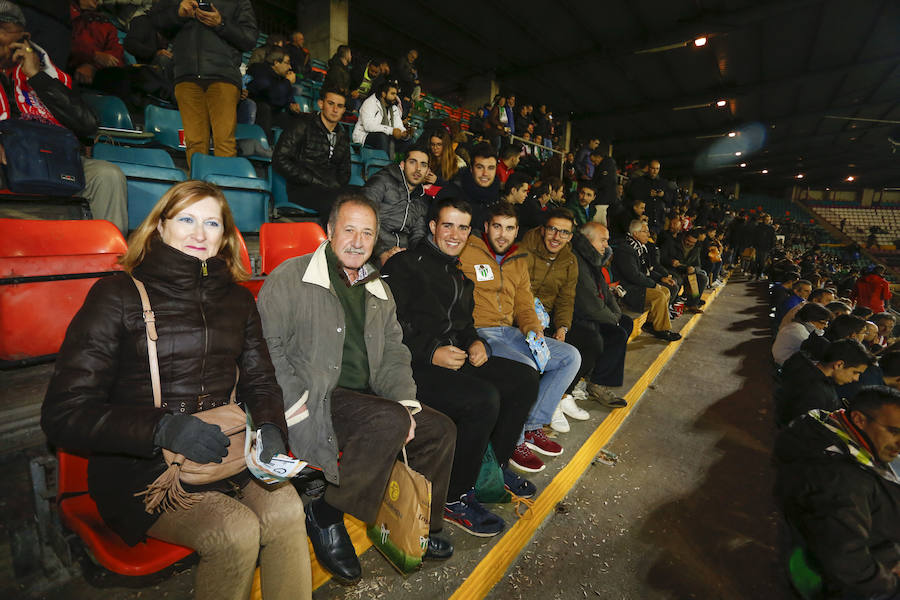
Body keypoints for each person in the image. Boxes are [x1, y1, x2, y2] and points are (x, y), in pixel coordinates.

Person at [41, 180, 312, 600]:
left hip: (224, 455)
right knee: (234, 532)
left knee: (288, 508)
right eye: (187, 219)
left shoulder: (238, 301)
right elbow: (64, 413)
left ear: (225, 237)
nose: (200, 234)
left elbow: (260, 380)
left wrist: (272, 428)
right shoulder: (116, 295)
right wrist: (162, 429)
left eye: (212, 223)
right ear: (159, 226)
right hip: (142, 469)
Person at [257, 193, 456, 584]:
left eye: (368, 233)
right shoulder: (290, 277)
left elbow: (395, 354)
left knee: (440, 429)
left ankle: (418, 524)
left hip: (367, 400)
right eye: (349, 230)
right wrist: (294, 406)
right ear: (330, 232)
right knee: (386, 421)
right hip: (316, 396)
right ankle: (327, 513)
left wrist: (407, 405)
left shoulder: (377, 288)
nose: (358, 241)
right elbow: (268, 353)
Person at [381, 197, 540, 536]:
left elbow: (465, 325)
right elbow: (389, 327)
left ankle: (491, 470)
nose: (455, 234)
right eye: (448, 225)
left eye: (462, 227)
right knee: (482, 398)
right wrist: (430, 352)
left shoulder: (458, 275)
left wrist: (475, 343)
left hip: (452, 358)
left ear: (470, 232)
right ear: (433, 227)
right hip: (411, 365)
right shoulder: (405, 265)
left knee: (524, 378)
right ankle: (453, 497)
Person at [458, 202, 581, 474]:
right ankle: (513, 442)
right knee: (525, 367)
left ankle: (532, 426)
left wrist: (534, 329)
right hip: (481, 333)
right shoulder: (467, 251)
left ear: (517, 231)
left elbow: (525, 304)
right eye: (498, 226)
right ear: (487, 227)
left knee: (569, 357)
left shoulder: (517, 259)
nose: (503, 234)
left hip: (511, 332)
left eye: (510, 228)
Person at [0, 3, 127, 233]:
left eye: (8, 40)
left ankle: (110, 262)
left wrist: (37, 77)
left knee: (107, 175)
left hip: (48, 159)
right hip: (7, 165)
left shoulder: (43, 71)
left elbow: (87, 124)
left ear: (24, 40)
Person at [774, 386, 900, 600]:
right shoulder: (843, 481)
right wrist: (892, 584)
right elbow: (847, 561)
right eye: (894, 431)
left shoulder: (821, 423)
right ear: (859, 419)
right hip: (846, 582)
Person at [152, 0, 257, 167]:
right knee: (194, 143)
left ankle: (225, 190)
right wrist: (177, 13)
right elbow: (156, 22)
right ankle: (199, 191)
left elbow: (250, 38)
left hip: (224, 76)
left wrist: (221, 23)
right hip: (186, 75)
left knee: (224, 143)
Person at [521, 207, 597, 429]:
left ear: (570, 236)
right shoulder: (524, 249)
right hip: (521, 314)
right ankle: (544, 408)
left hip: (548, 315)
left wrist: (562, 327)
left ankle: (560, 396)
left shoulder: (569, 261)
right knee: (535, 354)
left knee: (591, 341)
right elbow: (516, 291)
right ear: (543, 230)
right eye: (553, 230)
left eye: (564, 232)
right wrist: (532, 322)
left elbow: (566, 298)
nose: (557, 237)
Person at [570, 223, 633, 406]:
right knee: (617, 332)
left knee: (626, 323)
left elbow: (604, 292)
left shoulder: (592, 258)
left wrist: (617, 314)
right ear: (588, 240)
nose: (606, 245)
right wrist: (613, 318)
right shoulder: (578, 261)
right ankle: (597, 383)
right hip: (577, 317)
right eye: (603, 240)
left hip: (592, 313)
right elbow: (589, 303)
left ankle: (594, 372)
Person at [272, 81, 350, 217]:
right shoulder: (302, 125)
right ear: (321, 104)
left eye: (340, 106)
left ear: (344, 110)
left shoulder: (343, 136)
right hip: (302, 188)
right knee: (336, 203)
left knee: (365, 197)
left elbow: (345, 172)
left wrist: (335, 184)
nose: (335, 110)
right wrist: (311, 179)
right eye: (331, 103)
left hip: (330, 189)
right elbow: (279, 159)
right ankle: (330, 238)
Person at [775, 339, 874, 427]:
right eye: (855, 372)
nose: (856, 378)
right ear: (839, 364)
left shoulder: (802, 363)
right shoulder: (817, 393)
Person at [611, 220, 681, 342]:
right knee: (659, 295)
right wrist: (654, 284)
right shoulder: (626, 250)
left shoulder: (639, 248)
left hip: (636, 284)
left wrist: (660, 278)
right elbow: (633, 275)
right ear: (636, 233)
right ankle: (661, 330)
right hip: (628, 288)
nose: (648, 234)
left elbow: (646, 270)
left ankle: (650, 323)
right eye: (645, 231)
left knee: (665, 290)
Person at [361, 144, 429, 265]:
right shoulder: (382, 180)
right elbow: (362, 217)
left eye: (423, 165)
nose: (418, 168)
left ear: (427, 171)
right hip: (371, 248)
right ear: (402, 165)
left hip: (401, 255)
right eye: (413, 162)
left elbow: (418, 235)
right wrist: (381, 252)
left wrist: (416, 256)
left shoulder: (422, 199)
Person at [247, 46, 300, 141]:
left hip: (274, 114)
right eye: (287, 63)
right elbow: (272, 95)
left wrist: (292, 105)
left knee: (297, 120)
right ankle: (266, 145)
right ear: (276, 63)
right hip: (257, 112)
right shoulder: (260, 71)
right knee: (264, 109)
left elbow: (287, 98)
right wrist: (287, 83)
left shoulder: (283, 78)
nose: (290, 67)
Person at [68, 0, 123, 87]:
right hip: (67, 66)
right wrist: (93, 56)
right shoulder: (65, 11)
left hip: (96, 72)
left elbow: (116, 53)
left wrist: (93, 66)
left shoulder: (104, 22)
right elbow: (64, 42)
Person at [448, 142, 501, 231]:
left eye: (491, 168)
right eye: (480, 167)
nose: (485, 173)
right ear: (471, 169)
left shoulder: (497, 199)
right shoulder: (452, 193)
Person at [351, 78, 407, 156]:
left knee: (408, 141)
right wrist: (392, 131)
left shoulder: (393, 108)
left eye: (396, 94)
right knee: (382, 137)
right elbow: (368, 126)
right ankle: (383, 165)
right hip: (364, 135)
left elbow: (398, 125)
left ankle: (399, 165)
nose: (395, 97)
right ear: (383, 94)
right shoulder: (369, 103)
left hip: (387, 137)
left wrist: (404, 133)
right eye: (392, 94)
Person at [771, 302, 832, 366]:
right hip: (786, 367)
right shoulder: (798, 332)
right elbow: (816, 352)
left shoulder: (795, 326)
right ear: (810, 320)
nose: (825, 326)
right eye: (823, 323)